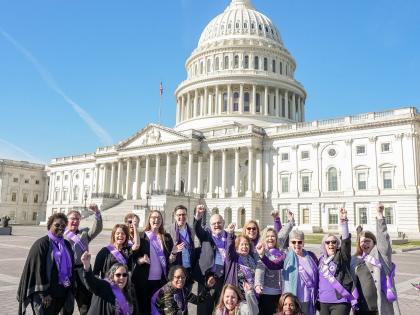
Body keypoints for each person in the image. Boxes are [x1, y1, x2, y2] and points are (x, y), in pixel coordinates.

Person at [17, 213, 75, 315]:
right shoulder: (41, 244)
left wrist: (70, 289)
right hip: (47, 294)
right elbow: (37, 271)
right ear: (50, 226)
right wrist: (44, 294)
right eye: (57, 225)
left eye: (63, 226)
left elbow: (71, 268)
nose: (60, 228)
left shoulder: (66, 244)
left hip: (62, 291)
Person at [351, 204, 401, 315]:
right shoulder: (355, 259)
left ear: (374, 242)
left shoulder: (382, 257)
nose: (364, 244)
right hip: (361, 309)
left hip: (380, 308)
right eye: (362, 242)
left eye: (368, 241)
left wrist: (379, 216)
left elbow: (384, 241)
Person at [62, 204, 103, 315]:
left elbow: (97, 229)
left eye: (77, 219)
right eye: (73, 218)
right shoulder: (60, 235)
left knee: (85, 304)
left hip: (81, 272)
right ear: (66, 220)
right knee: (65, 305)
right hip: (66, 273)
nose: (75, 221)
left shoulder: (84, 234)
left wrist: (97, 213)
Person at [133, 210, 174, 315]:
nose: (156, 220)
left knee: (159, 310)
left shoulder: (167, 238)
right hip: (144, 281)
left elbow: (169, 261)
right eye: (153, 217)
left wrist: (173, 254)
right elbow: (133, 258)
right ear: (149, 220)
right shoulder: (142, 236)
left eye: (159, 218)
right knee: (144, 309)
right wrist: (141, 260)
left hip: (161, 281)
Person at [318, 208, 356, 315]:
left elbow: (346, 242)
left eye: (334, 242)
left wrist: (343, 222)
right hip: (323, 302)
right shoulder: (321, 259)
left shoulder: (342, 255)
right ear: (324, 245)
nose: (331, 244)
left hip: (340, 301)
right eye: (328, 242)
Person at [194, 204, 229, 315]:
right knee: (204, 310)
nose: (217, 225)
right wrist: (198, 216)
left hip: (223, 279)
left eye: (219, 223)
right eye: (214, 223)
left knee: (222, 310)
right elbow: (197, 228)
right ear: (210, 225)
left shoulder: (229, 237)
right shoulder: (206, 236)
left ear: (223, 223)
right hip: (206, 278)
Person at [282, 230, 318, 315]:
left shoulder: (311, 256)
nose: (297, 244)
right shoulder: (285, 256)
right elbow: (274, 265)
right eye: (293, 242)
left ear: (303, 243)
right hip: (292, 298)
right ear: (290, 244)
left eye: (299, 242)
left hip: (307, 298)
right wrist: (263, 256)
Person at [255, 227, 286, 315]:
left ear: (276, 239)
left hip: (280, 293)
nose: (270, 238)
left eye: (273, 236)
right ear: (264, 239)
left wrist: (290, 222)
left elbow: (284, 234)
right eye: (268, 236)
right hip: (266, 293)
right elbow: (259, 270)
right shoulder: (262, 252)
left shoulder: (281, 253)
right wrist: (258, 284)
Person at [168, 205, 198, 292]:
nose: (181, 217)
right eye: (179, 215)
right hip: (176, 270)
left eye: (184, 214)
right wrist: (174, 252)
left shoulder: (191, 230)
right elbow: (167, 255)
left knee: (186, 297)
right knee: (175, 297)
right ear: (174, 216)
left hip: (188, 269)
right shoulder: (169, 231)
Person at [225, 224, 257, 298]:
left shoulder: (252, 258)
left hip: (251, 295)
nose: (244, 247)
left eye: (246, 244)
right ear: (237, 247)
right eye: (242, 244)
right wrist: (230, 233)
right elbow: (229, 249)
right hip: (235, 295)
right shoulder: (233, 258)